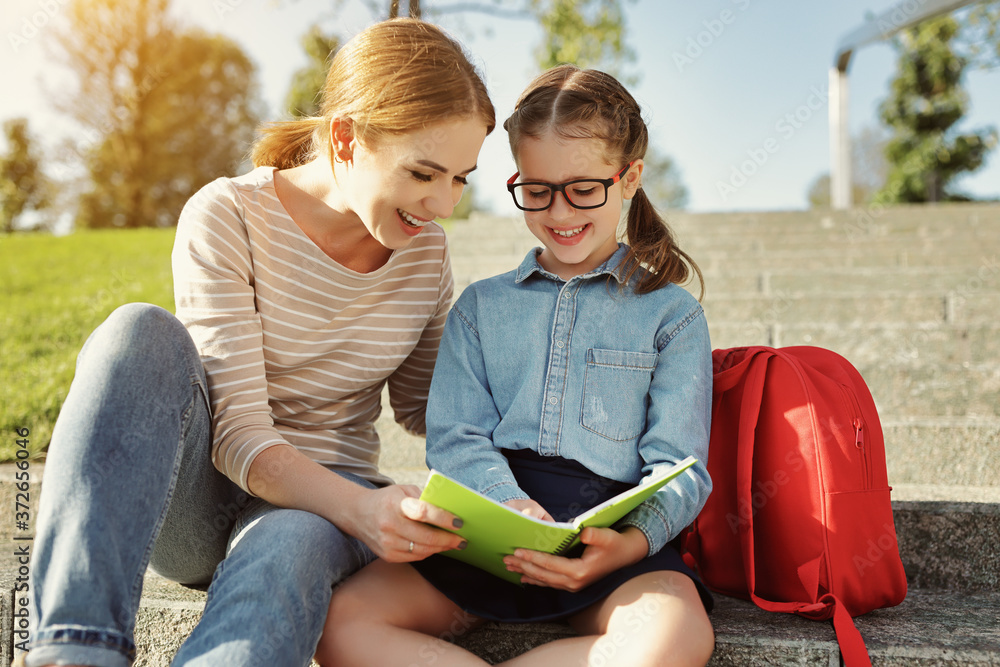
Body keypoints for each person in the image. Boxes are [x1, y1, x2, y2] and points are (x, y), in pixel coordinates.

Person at [25, 18, 494, 667]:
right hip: (206, 501)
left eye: (461, 178)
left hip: (318, 508)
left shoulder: (424, 252)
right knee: (138, 330)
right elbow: (242, 437)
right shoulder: (227, 215)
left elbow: (426, 407)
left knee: (289, 541)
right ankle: (73, 651)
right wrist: (365, 509)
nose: (444, 202)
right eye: (424, 173)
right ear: (344, 138)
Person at [314, 64, 715, 667]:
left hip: (609, 549)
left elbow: (681, 467)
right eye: (536, 190)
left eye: (583, 188)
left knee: (678, 635)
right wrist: (510, 505)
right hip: (487, 534)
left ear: (628, 178)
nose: (560, 211)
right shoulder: (480, 307)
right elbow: (455, 436)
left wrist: (628, 545)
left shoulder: (672, 316)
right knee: (340, 622)